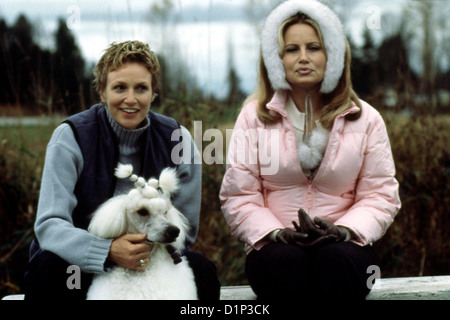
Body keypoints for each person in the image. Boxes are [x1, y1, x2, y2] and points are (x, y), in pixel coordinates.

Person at [220, 0, 401, 301]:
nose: (303, 58)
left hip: (347, 249)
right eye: (292, 49)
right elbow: (239, 195)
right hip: (273, 250)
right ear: (276, 59)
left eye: (314, 47)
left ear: (333, 55)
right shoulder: (253, 117)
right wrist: (277, 234)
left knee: (336, 261)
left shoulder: (366, 119)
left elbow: (380, 195)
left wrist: (343, 231)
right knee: (287, 263)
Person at [23, 40, 220, 300]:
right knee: (48, 270)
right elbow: (50, 225)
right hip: (79, 261)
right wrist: (106, 251)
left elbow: (185, 229)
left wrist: (142, 251)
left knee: (203, 272)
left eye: (141, 88)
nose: (131, 99)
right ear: (102, 92)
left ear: (154, 92)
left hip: (153, 255)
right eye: (119, 88)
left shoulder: (178, 140)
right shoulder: (70, 137)